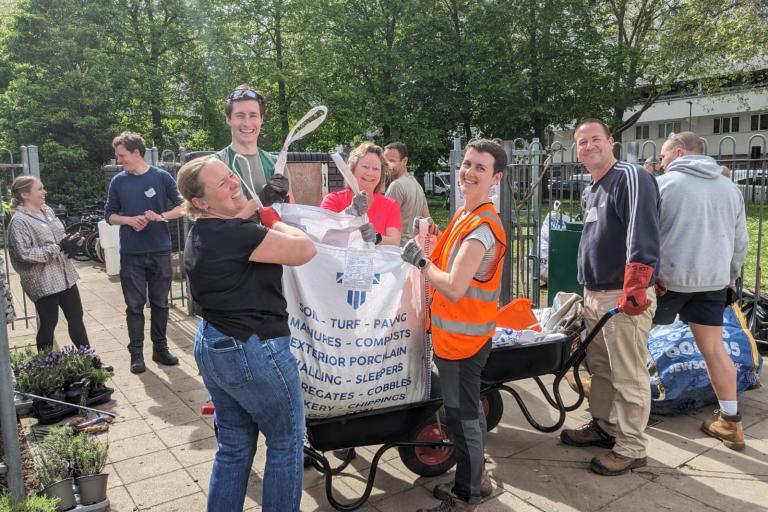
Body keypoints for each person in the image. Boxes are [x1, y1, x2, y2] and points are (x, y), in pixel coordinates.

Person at [177, 156, 315, 512]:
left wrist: (260, 201)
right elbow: (304, 249)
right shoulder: (237, 236)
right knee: (286, 442)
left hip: (214, 345)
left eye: (230, 175)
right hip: (254, 349)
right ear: (201, 202)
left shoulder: (202, 231)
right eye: (222, 183)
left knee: (235, 446)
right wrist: (272, 217)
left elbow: (235, 217)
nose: (234, 183)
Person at [402, 139, 507, 511]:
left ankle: (466, 496)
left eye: (481, 168)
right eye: (467, 164)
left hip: (464, 343)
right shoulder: (466, 215)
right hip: (457, 338)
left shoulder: (482, 227)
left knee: (464, 421)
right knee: (466, 415)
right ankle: (475, 480)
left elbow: (455, 285)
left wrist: (419, 260)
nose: (469, 172)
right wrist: (432, 241)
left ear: (496, 178)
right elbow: (450, 260)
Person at [559, 118, 660, 476]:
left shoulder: (631, 177)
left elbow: (642, 229)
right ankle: (603, 425)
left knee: (629, 374)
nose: (588, 146)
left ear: (611, 141)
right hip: (595, 294)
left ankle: (632, 447)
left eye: (594, 139)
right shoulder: (592, 188)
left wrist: (638, 283)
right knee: (600, 368)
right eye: (581, 142)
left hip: (622, 294)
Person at [654, 131, 749, 450]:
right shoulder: (730, 188)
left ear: (679, 152)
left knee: (633, 339)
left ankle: (622, 404)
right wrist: (729, 277)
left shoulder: (664, 185)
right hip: (713, 281)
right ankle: (730, 421)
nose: (661, 162)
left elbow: (647, 235)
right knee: (714, 349)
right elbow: (741, 243)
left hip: (668, 281)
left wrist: (652, 274)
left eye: (664, 156)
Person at [105, 131, 183, 374]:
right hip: (132, 253)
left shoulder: (162, 177)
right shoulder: (118, 181)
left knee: (160, 303)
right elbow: (109, 216)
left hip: (160, 250)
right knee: (134, 306)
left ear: (136, 152)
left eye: (122, 156)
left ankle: (160, 349)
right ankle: (136, 355)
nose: (119, 161)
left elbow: (183, 206)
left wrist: (161, 216)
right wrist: (129, 220)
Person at [7, 176, 89, 352]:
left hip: (65, 274)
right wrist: (57, 248)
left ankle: (91, 360)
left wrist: (72, 243)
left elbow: (59, 238)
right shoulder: (19, 222)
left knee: (76, 317)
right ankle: (46, 368)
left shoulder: (47, 211)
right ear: (24, 194)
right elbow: (23, 254)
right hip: (42, 279)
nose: (44, 192)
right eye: (39, 189)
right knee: (49, 323)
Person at [216, 85, 290, 206]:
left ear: (261, 119)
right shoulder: (216, 164)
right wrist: (260, 201)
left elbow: (290, 210)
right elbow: (212, 219)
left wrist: (284, 201)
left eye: (253, 115)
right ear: (228, 119)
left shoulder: (277, 165)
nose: (247, 123)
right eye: (240, 115)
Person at [321, 142, 402, 246]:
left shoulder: (390, 205)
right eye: (365, 166)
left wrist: (375, 237)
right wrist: (349, 213)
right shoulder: (333, 200)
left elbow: (394, 242)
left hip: (377, 261)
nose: (370, 173)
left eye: (376, 169)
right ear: (352, 169)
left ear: (381, 174)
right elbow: (322, 232)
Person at [384, 142, 430, 246]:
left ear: (404, 161)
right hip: (414, 249)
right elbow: (427, 220)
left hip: (398, 250)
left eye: (391, 161)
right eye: (385, 161)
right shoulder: (417, 185)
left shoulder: (396, 185)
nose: (387, 165)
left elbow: (383, 221)